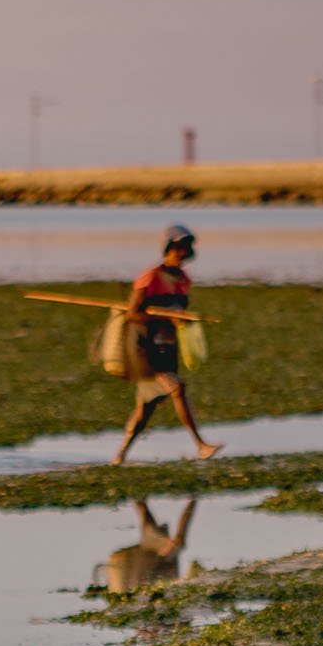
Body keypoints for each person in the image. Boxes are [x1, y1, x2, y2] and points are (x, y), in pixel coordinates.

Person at [113, 225, 220, 463]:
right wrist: (165, 317)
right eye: (178, 248)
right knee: (177, 388)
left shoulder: (184, 281)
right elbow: (133, 314)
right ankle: (201, 445)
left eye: (186, 248)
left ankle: (119, 456)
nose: (182, 252)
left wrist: (182, 322)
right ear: (169, 248)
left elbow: (179, 315)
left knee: (145, 409)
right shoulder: (150, 277)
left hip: (167, 348)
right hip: (144, 349)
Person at [104, 497, 197, 593]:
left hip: (129, 567)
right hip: (127, 567)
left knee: (174, 543)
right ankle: (193, 497)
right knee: (148, 521)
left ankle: (193, 498)